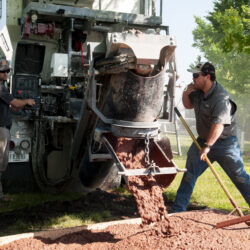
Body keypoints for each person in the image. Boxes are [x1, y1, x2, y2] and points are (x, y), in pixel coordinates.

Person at [172, 62, 250, 212]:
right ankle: (177, 211)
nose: (193, 78)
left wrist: (207, 146)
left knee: (240, 177)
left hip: (225, 144)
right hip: (202, 141)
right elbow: (188, 105)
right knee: (189, 174)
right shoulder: (198, 91)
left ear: (207, 76)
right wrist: (186, 92)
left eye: (196, 75)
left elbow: (219, 125)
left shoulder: (222, 98)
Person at [0, 57, 35, 206]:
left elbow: (11, 105)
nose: (7, 73)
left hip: (4, 128)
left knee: (2, 164)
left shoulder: (3, 86)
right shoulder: (0, 87)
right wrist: (27, 101)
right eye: (4, 71)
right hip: (1, 130)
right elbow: (15, 103)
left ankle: (0, 196)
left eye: (8, 71)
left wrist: (15, 106)